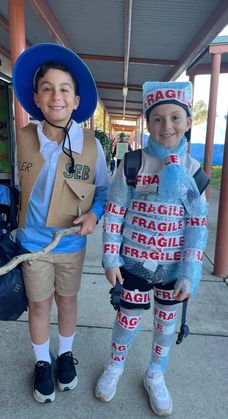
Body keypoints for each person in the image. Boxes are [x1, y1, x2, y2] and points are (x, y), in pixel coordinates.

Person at [0, 43, 109, 403]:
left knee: (67, 301)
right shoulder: (25, 140)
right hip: (33, 245)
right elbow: (15, 189)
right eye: (47, 88)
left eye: (64, 89)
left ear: (77, 100)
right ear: (36, 97)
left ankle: (65, 355)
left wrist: (94, 214)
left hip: (72, 243)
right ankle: (42, 362)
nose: (56, 96)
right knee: (40, 305)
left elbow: (103, 193)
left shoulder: (92, 146)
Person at [95, 81, 208, 416]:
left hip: (173, 268)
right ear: (147, 123)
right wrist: (110, 257)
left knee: (165, 325)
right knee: (127, 320)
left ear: (188, 122)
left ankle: (156, 373)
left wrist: (189, 272)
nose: (167, 126)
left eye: (175, 117)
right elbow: (115, 212)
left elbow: (196, 227)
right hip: (132, 264)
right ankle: (115, 366)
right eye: (157, 119)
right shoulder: (131, 165)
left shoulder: (194, 174)